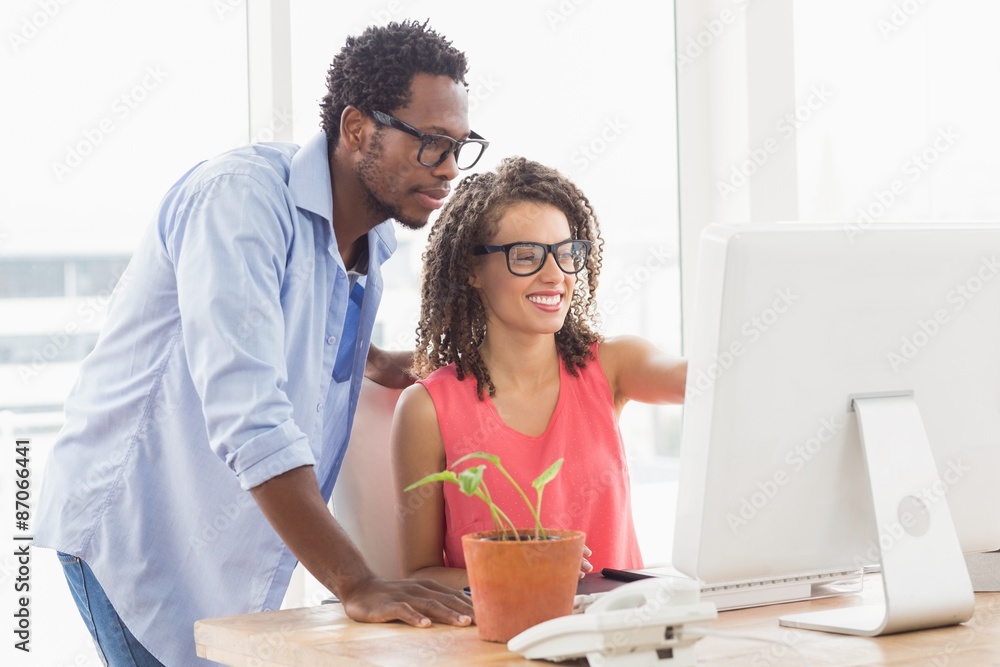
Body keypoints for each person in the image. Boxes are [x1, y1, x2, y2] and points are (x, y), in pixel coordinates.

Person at [34, 20, 486, 666]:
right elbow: (249, 413)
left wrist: (376, 361)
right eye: (432, 144)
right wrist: (356, 582)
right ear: (357, 128)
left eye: (460, 147)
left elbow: (296, 332)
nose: (448, 170)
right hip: (136, 531)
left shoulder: (372, 239)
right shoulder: (240, 201)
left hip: (220, 550)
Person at [391, 157, 687, 590]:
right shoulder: (426, 410)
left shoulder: (614, 365)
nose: (555, 275)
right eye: (526, 256)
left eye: (566, 254)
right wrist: (516, 570)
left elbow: (703, 382)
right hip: (502, 632)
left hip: (623, 626)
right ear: (472, 270)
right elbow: (418, 577)